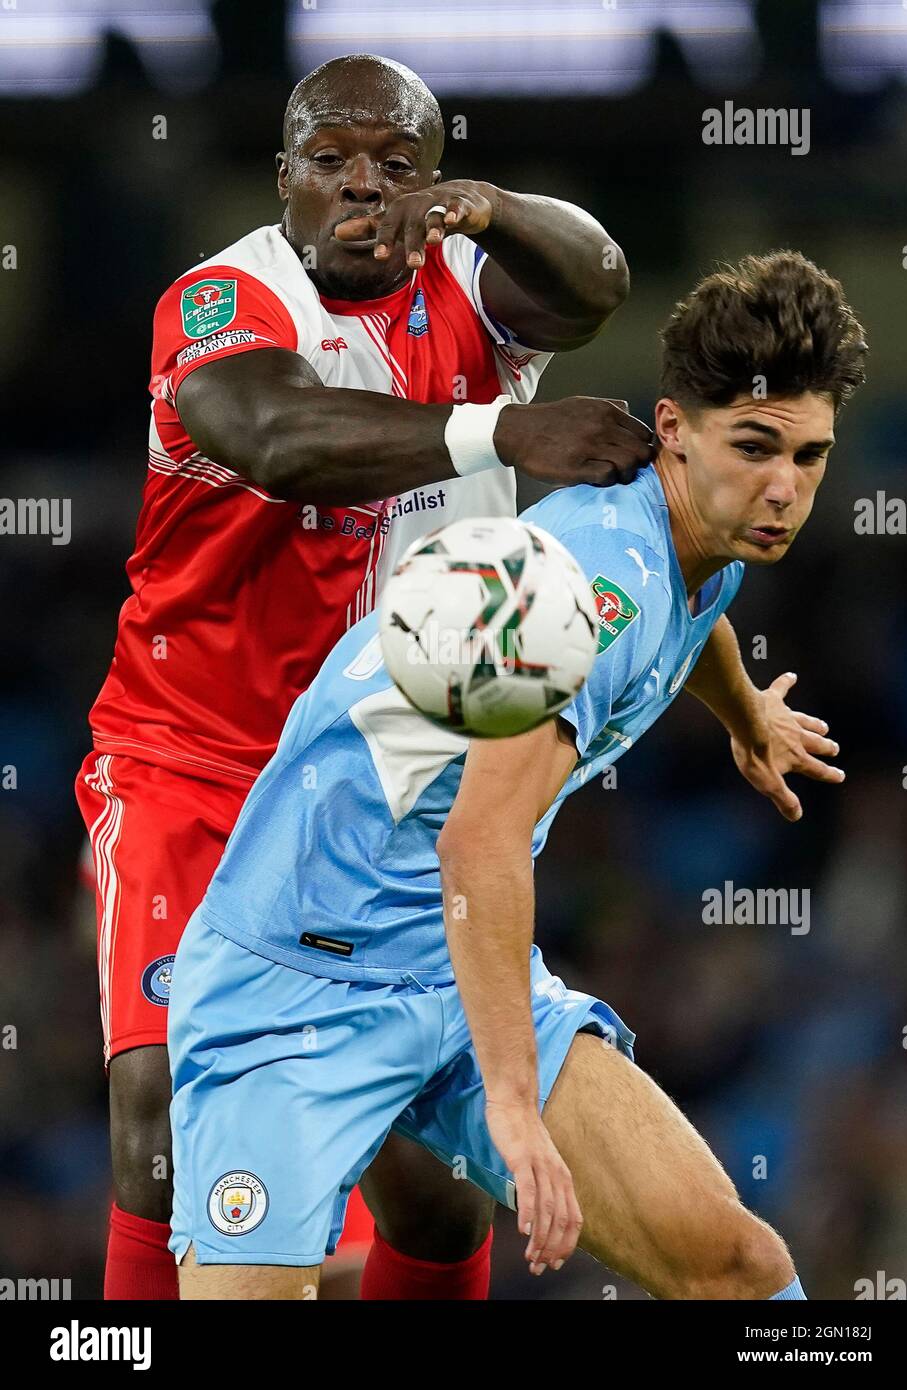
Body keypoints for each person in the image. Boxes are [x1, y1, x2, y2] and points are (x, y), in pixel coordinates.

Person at [167, 250, 868, 1298]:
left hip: (452, 967)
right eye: (756, 448)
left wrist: (746, 714)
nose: (783, 488)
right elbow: (479, 841)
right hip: (295, 980)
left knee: (740, 1268)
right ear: (672, 430)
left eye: (808, 458)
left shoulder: (696, 533)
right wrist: (510, 1105)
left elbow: (695, 609)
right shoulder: (582, 586)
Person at [74, 52, 652, 1301]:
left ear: (434, 184)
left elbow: (598, 280)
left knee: (440, 1198)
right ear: (283, 178)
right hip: (195, 759)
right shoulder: (224, 299)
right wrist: (500, 428)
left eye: (398, 166)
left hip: (381, 775)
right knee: (163, 1118)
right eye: (330, 160)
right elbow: (276, 438)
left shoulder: (471, 291)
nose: (362, 188)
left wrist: (498, 213)